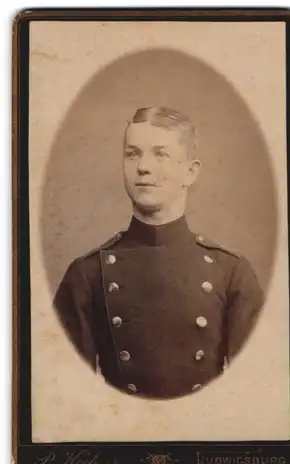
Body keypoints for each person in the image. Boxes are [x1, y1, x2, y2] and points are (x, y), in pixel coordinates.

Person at [53, 106, 264, 399]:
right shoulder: (87, 274)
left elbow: (256, 393)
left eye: (160, 154)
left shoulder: (231, 272)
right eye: (132, 153)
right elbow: (68, 397)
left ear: (190, 172)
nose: (143, 167)